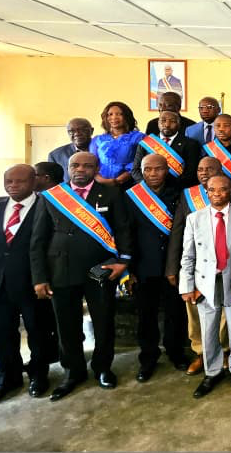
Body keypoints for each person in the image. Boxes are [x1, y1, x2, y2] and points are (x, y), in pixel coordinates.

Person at [31, 151, 132, 402]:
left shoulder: (111, 193)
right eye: (75, 165)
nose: (80, 169)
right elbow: (38, 240)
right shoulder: (53, 196)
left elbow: (123, 229)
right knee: (67, 325)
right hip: (60, 269)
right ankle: (73, 372)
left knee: (103, 321)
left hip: (99, 269)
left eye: (87, 165)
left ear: (96, 168)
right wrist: (40, 277)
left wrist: (123, 262)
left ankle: (103, 368)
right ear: (67, 167)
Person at [0, 164, 57, 407]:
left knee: (38, 334)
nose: (13, 185)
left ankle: (39, 376)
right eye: (9, 181)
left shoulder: (48, 206)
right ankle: (7, 379)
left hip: (34, 284)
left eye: (20, 181)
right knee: (2, 335)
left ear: (34, 182)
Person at [179, 175, 231, 399]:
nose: (217, 194)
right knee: (208, 330)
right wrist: (187, 285)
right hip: (205, 283)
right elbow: (187, 256)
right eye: (212, 190)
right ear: (206, 192)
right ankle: (212, 371)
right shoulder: (194, 218)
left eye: (223, 189)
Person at [127, 154, 189, 382]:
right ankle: (148, 359)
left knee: (176, 313)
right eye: (148, 170)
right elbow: (126, 234)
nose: (153, 174)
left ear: (167, 170)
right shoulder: (132, 196)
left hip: (174, 265)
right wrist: (129, 269)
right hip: (144, 267)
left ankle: (176, 352)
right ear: (141, 171)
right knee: (146, 316)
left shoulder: (180, 193)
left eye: (158, 169)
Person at [166, 157, 221, 377]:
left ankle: (224, 351)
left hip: (225, 265)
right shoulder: (188, 195)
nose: (204, 172)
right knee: (196, 312)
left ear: (221, 170)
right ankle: (201, 353)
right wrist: (172, 267)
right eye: (200, 169)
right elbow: (177, 232)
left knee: (226, 314)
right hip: (198, 266)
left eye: (209, 168)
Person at [131, 110, 201, 189]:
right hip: (148, 190)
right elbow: (135, 170)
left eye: (172, 121)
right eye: (163, 121)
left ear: (179, 124)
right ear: (158, 123)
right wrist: (148, 185)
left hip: (176, 190)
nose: (167, 125)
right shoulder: (146, 143)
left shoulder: (190, 144)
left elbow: (190, 173)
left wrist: (167, 187)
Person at [90, 101, 144, 189]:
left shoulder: (139, 137)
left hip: (129, 184)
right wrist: (101, 180)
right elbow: (91, 163)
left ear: (126, 116)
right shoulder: (98, 139)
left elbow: (141, 161)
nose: (114, 117)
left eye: (119, 114)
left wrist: (120, 179)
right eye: (110, 114)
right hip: (100, 184)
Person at [48, 118, 92, 183]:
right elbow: (53, 183)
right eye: (72, 131)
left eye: (82, 130)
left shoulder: (104, 151)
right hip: (69, 192)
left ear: (91, 130)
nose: (77, 133)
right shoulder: (55, 155)